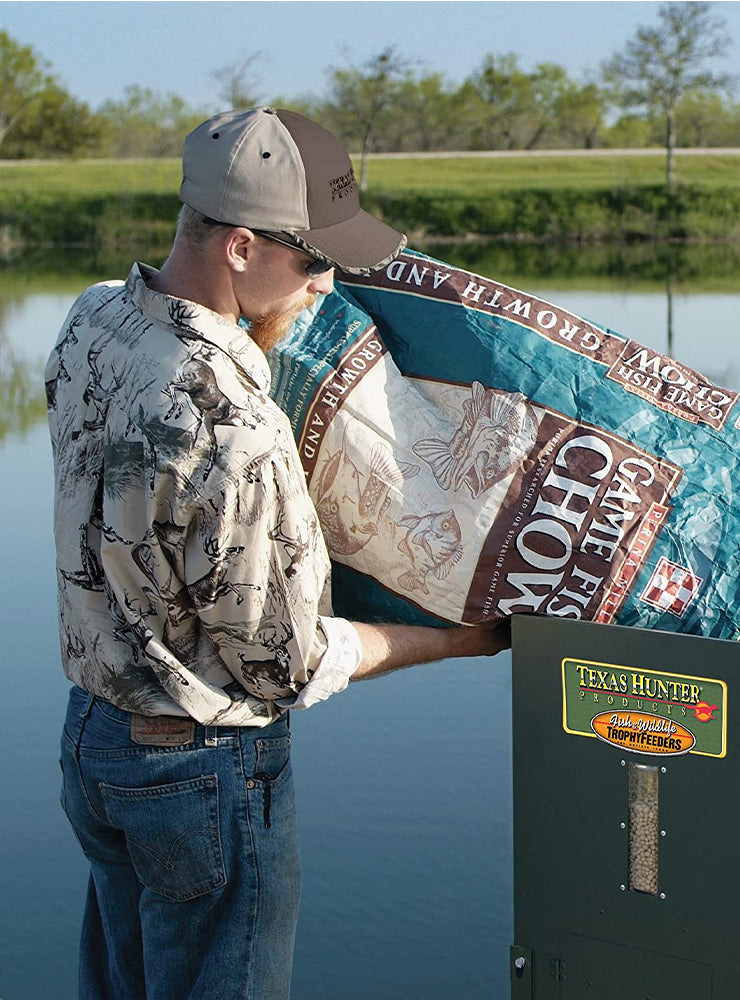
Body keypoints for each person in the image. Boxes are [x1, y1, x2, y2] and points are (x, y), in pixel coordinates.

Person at [45, 107, 509, 1000]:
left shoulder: (92, 320)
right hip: (200, 772)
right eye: (313, 260)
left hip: (94, 746)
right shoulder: (237, 431)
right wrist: (455, 641)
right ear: (241, 248)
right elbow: (283, 666)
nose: (328, 287)